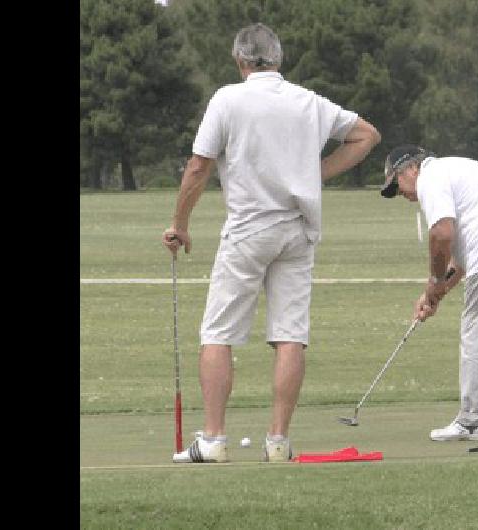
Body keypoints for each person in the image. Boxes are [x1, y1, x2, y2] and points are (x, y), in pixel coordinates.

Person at [162, 23, 381, 463]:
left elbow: (198, 167)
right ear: (277, 59)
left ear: (240, 60)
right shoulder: (307, 101)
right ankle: (278, 442)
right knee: (289, 336)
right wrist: (312, 176)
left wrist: (180, 224)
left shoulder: (227, 98)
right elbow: (367, 136)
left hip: (248, 229)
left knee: (218, 332)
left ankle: (213, 440)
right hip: (298, 230)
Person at [380, 145, 478, 442]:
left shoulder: (430, 178)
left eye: (396, 184)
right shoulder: (452, 171)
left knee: (476, 333)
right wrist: (434, 293)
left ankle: (472, 421)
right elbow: (457, 264)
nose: (402, 194)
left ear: (410, 169)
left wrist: (434, 279)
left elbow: (441, 234)